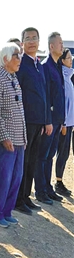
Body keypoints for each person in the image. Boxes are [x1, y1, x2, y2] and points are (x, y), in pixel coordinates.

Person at [0, 44, 27, 226]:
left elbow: (20, 109)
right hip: (6, 139)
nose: (19, 59)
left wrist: (24, 136)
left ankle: (6, 210)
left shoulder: (13, 78)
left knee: (16, 177)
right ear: (5, 59)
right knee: (3, 177)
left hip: (19, 138)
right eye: (16, 55)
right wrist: (3, 136)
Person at [14, 27, 52, 214]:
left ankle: (26, 196)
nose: (31, 41)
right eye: (27, 38)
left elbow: (45, 94)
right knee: (24, 161)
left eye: (34, 38)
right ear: (22, 43)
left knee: (32, 161)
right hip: (25, 121)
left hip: (39, 122)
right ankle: (18, 199)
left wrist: (46, 120)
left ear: (39, 41)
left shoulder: (39, 65)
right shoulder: (21, 64)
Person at [36, 32, 67, 203]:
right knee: (42, 156)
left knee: (50, 156)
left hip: (58, 120)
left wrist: (62, 120)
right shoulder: (45, 66)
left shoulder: (57, 66)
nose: (62, 46)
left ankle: (48, 188)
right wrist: (47, 120)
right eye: (60, 43)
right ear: (51, 46)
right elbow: (45, 97)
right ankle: (40, 190)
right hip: (49, 120)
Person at [54, 48, 73, 196]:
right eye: (68, 58)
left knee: (65, 153)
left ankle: (59, 181)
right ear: (62, 60)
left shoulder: (69, 76)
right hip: (64, 123)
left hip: (70, 122)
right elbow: (63, 102)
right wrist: (65, 123)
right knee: (62, 153)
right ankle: (58, 182)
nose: (71, 60)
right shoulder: (62, 78)